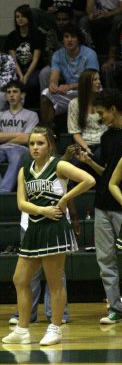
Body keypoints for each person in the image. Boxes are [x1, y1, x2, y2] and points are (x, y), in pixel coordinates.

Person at [2, 126, 95, 347]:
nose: (35, 147)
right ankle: (23, 329)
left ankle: (55, 327)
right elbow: (21, 203)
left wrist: (64, 199)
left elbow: (88, 180)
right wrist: (42, 210)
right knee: (20, 279)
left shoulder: (58, 164)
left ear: (49, 145)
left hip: (54, 228)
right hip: (34, 227)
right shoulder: (25, 168)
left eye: (40, 143)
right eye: (32, 143)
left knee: (54, 282)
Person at [75, 89, 122, 324]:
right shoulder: (107, 137)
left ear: (113, 109)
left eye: (102, 113)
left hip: (121, 205)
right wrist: (90, 163)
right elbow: (108, 174)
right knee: (105, 259)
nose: (99, 117)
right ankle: (115, 307)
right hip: (103, 204)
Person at [40, 24, 99, 126]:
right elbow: (54, 77)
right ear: (62, 40)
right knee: (46, 93)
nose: (69, 40)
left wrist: (70, 86)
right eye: (66, 37)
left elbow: (92, 81)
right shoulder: (58, 55)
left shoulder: (90, 54)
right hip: (70, 92)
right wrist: (53, 85)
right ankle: (48, 129)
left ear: (79, 39)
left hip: (88, 91)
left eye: (73, 37)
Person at [0, 80, 39, 193]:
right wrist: (18, 134)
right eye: (9, 92)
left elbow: (26, 138)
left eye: (15, 92)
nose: (11, 95)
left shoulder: (31, 115)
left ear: (22, 95)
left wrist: (3, 137)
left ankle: (2, 192)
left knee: (17, 156)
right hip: (0, 150)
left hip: (20, 149)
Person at [4, 4, 44, 103]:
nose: (20, 19)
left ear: (29, 18)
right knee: (14, 83)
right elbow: (13, 60)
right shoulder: (12, 36)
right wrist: (21, 75)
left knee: (30, 82)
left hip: (34, 69)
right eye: (17, 17)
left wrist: (26, 76)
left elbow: (35, 59)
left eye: (23, 16)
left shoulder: (37, 34)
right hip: (18, 69)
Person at [67, 70, 106, 161]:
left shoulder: (104, 101)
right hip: (84, 144)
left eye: (99, 79)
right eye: (95, 79)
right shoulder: (74, 104)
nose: (99, 82)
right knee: (76, 163)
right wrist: (86, 148)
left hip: (104, 143)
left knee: (98, 157)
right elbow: (75, 132)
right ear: (86, 83)